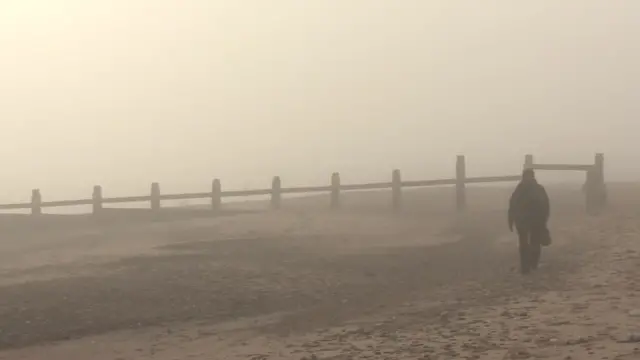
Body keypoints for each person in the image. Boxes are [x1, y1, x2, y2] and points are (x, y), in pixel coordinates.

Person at [508, 168, 550, 274]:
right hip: (536, 220)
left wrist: (511, 220)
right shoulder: (539, 189)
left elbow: (513, 205)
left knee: (524, 243)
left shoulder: (519, 189)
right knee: (534, 242)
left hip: (522, 221)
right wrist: (544, 221)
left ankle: (525, 267)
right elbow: (545, 206)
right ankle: (533, 264)